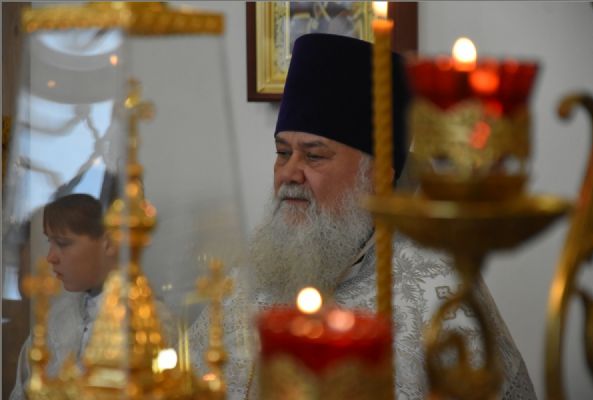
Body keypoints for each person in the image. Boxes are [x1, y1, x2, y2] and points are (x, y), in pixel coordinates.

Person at [188, 33, 536, 399]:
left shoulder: (439, 291)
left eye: (314, 156)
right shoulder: (251, 275)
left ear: (376, 176)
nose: (289, 173)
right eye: (282, 152)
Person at [9, 193, 175, 400]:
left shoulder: (148, 320)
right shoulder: (55, 319)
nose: (50, 257)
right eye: (50, 242)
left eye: (63, 243)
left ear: (108, 243)